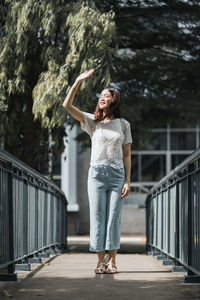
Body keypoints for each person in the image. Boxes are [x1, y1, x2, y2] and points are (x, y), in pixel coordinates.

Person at [62, 69, 132, 274]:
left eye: (106, 96)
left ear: (114, 100)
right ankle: (100, 261)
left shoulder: (124, 125)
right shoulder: (93, 122)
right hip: (96, 177)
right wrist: (77, 81)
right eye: (100, 96)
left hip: (117, 175)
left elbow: (127, 154)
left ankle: (113, 262)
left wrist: (128, 180)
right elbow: (67, 106)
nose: (101, 98)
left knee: (113, 218)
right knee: (98, 217)